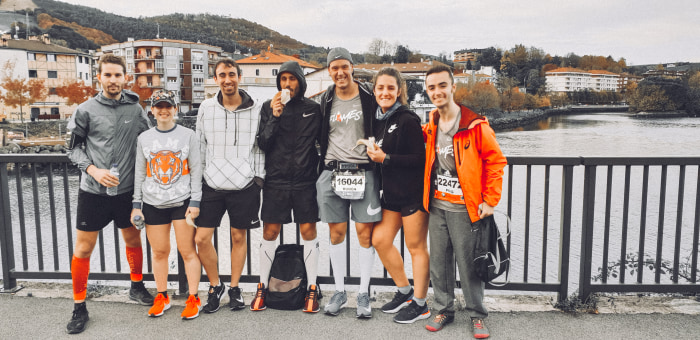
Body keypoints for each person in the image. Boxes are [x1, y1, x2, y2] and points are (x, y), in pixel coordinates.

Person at [65, 54, 153, 334]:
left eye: (118, 75)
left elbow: (149, 141)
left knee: (132, 238)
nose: (113, 80)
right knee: (83, 249)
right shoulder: (85, 110)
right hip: (93, 191)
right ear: (99, 77)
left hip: (126, 191)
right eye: (108, 75)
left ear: (125, 77)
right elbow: (73, 149)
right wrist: (93, 170)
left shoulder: (136, 108)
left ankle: (136, 287)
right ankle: (79, 306)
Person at [421, 65, 507, 339]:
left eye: (442, 85)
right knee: (440, 263)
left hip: (465, 209)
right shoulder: (432, 123)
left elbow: (496, 162)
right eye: (432, 87)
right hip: (436, 206)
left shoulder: (475, 126)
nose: (437, 91)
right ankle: (443, 310)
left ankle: (477, 315)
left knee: (469, 264)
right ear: (427, 91)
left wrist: (490, 200)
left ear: (453, 87)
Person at [195, 58, 264, 314]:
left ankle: (235, 288)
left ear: (239, 77)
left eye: (232, 74)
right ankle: (215, 286)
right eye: (222, 75)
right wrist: (199, 179)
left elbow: (259, 148)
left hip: (245, 185)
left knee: (238, 237)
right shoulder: (206, 108)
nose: (227, 79)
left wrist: (258, 179)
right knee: (201, 238)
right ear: (215, 79)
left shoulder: (256, 108)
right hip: (211, 184)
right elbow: (200, 146)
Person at [253, 61, 322, 313]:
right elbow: (263, 143)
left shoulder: (313, 109)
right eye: (283, 79)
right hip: (277, 181)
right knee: (269, 232)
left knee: (308, 231)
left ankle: (312, 288)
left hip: (305, 182)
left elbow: (323, 144)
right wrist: (275, 115)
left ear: (300, 82)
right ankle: (262, 286)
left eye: (292, 79)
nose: (287, 84)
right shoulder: (267, 108)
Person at [317, 47, 381, 318]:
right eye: (334, 68)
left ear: (352, 67)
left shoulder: (369, 97)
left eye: (344, 66)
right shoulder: (325, 99)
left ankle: (364, 293)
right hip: (332, 173)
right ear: (329, 71)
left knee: (365, 235)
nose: (340, 72)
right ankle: (340, 291)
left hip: (363, 172)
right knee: (336, 234)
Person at [365, 67, 430, 324]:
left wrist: (386, 158)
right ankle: (404, 291)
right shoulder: (378, 119)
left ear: (399, 91)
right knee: (379, 240)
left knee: (416, 248)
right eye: (380, 88)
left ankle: (421, 303)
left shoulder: (407, 119)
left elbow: (419, 159)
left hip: (412, 195)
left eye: (391, 88)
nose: (385, 92)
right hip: (390, 194)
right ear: (374, 91)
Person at [131, 90, 203, 319]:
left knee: (188, 251)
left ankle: (193, 298)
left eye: (168, 106)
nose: (164, 110)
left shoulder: (188, 135)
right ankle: (162, 296)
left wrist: (195, 201)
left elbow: (196, 170)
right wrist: (136, 204)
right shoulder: (144, 138)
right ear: (152, 110)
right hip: (152, 203)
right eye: (159, 106)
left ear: (175, 108)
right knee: (160, 252)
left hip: (181, 203)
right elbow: (140, 173)